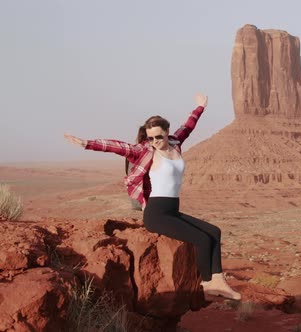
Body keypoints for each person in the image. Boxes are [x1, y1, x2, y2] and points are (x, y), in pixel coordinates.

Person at [64, 92, 241, 301]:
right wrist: (87, 144)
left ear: (167, 132)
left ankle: (217, 282)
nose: (155, 141)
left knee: (214, 231)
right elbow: (118, 146)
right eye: (150, 137)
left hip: (172, 211)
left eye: (159, 136)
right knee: (202, 239)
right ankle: (207, 284)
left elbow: (188, 127)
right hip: (157, 214)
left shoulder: (175, 143)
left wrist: (200, 108)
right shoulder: (146, 151)